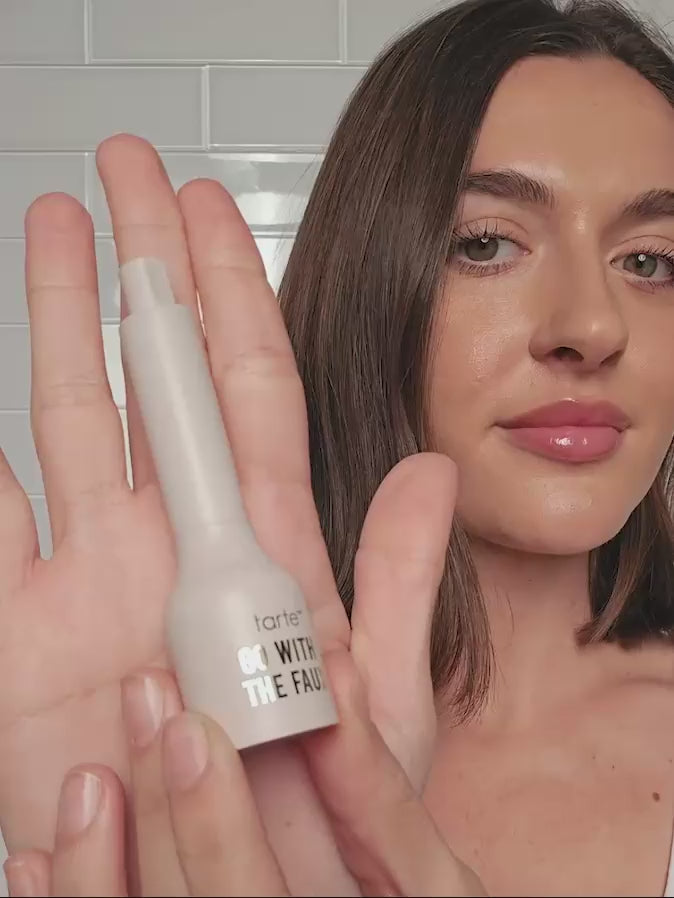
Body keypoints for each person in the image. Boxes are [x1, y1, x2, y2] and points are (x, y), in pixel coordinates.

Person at [0, 0, 673, 893]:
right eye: (484, 244)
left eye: (651, 261)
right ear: (369, 284)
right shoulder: (167, 740)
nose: (591, 327)